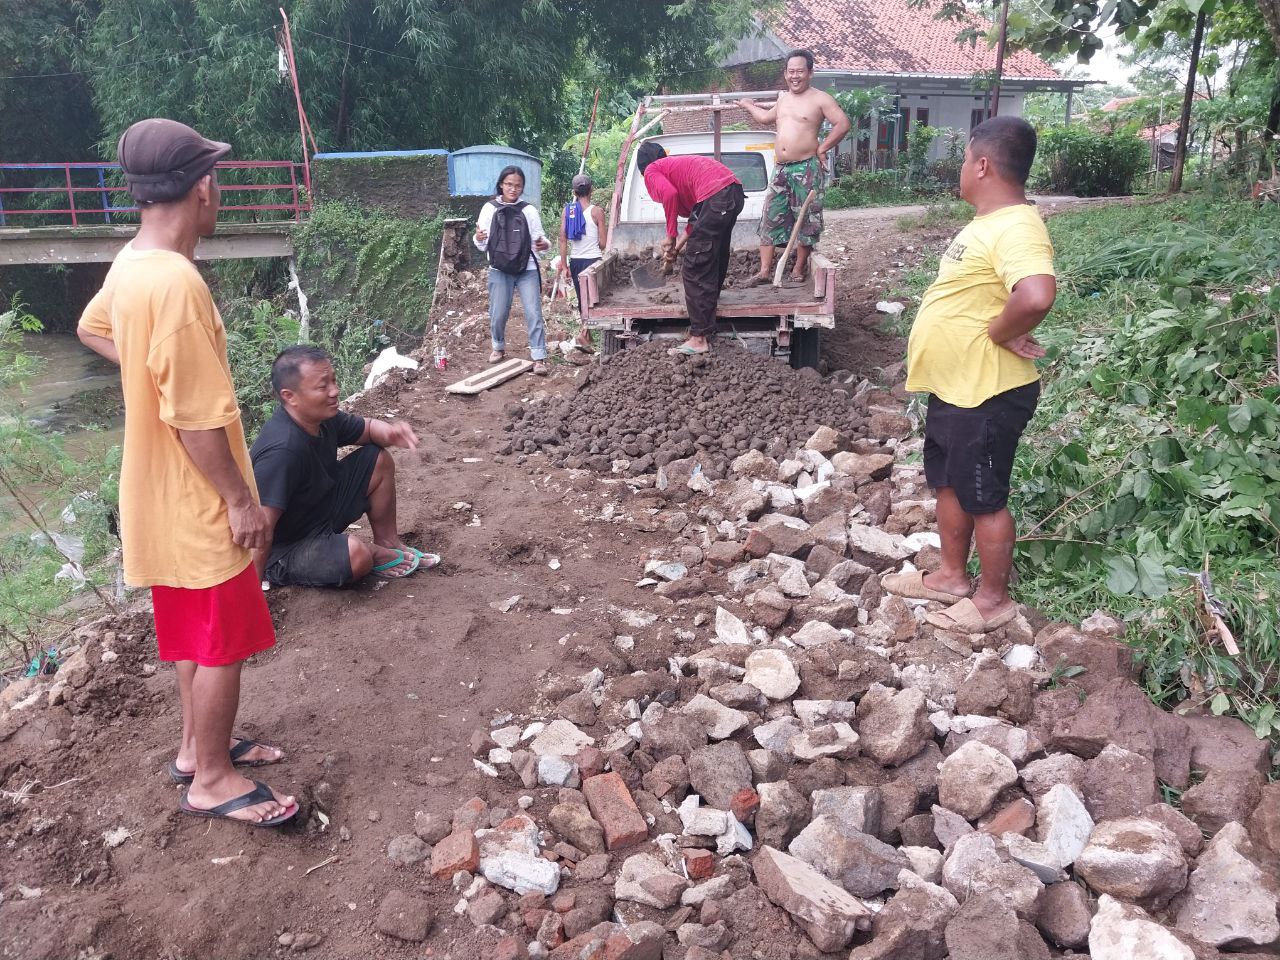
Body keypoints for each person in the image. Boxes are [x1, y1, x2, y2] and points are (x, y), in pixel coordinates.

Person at [76, 118, 296, 827]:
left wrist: (146, 377)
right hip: (197, 499)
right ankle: (212, 779)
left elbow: (92, 328)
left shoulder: (132, 263)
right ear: (203, 187)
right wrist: (240, 501)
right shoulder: (177, 284)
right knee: (223, 643)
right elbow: (197, 420)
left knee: (190, 636)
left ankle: (195, 747)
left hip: (152, 497)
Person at [882, 116, 1057, 633]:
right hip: (955, 386)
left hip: (988, 392)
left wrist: (1003, 333)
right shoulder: (987, 222)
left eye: (963, 160)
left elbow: (1036, 294)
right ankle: (953, 576)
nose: (960, 169)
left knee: (985, 496)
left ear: (982, 164)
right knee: (950, 485)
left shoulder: (1017, 226)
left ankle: (992, 600)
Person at [249, 345, 440, 588]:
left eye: (334, 381)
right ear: (290, 396)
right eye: (322, 386)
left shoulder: (321, 418)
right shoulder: (282, 451)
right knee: (357, 556)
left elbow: (368, 429)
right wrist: (251, 594)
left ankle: (388, 543)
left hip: (319, 511)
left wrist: (391, 434)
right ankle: (373, 553)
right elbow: (261, 528)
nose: (334, 391)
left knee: (377, 459)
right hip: (287, 547)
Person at [738, 48, 850, 285]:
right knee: (770, 216)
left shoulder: (820, 99)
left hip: (806, 168)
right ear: (785, 73)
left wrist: (822, 149)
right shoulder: (783, 99)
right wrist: (748, 105)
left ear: (810, 72)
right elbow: (765, 118)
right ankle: (765, 271)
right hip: (781, 169)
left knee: (807, 220)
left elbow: (842, 123)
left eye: (800, 71)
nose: (794, 76)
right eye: (790, 72)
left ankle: (798, 269)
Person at [636, 142, 744, 355]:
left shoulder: (652, 169)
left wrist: (670, 236)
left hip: (717, 195)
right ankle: (710, 301)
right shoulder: (679, 168)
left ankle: (699, 338)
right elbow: (698, 218)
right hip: (732, 191)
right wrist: (678, 246)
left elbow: (669, 195)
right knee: (714, 253)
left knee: (694, 267)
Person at [473, 165, 552, 375]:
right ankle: (498, 346)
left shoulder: (529, 210)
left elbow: (540, 240)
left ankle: (539, 356)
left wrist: (544, 245)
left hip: (527, 269)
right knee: (498, 313)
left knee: (534, 312)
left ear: (522, 187)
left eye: (518, 185)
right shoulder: (489, 209)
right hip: (499, 269)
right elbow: (481, 241)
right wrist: (478, 238)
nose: (513, 189)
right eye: (509, 184)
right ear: (501, 184)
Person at [558, 173, 605, 352]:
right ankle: (586, 333)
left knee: (581, 299)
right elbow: (602, 243)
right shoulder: (597, 212)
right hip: (593, 261)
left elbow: (563, 240)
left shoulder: (568, 211)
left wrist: (564, 266)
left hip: (576, 261)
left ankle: (586, 333)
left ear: (574, 192)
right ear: (591, 190)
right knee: (593, 300)